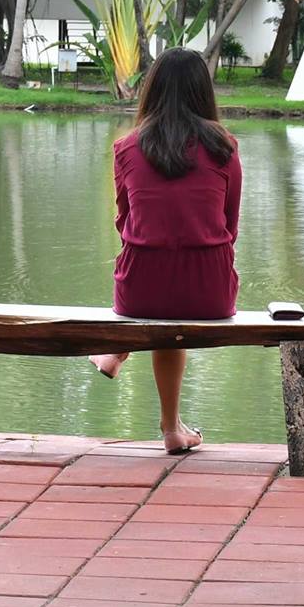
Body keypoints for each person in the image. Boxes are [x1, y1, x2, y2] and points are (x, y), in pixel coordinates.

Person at [89, 46, 241, 453]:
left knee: (153, 285)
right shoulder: (225, 148)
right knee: (172, 302)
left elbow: (124, 220)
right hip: (209, 291)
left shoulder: (126, 149)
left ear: (151, 91)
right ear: (203, 93)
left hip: (141, 289)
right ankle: (171, 428)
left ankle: (118, 350)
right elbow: (230, 224)